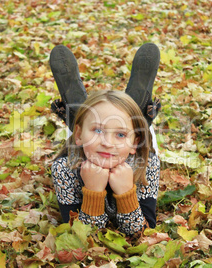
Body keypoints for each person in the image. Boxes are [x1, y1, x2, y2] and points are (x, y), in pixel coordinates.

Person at [49, 43, 161, 235]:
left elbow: (142, 232)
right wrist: (93, 191)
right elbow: (81, 236)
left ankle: (139, 116)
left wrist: (127, 192)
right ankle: (88, 120)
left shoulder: (146, 162)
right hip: (84, 147)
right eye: (99, 131)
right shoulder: (64, 168)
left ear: (135, 144)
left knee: (135, 124)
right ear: (77, 136)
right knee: (101, 123)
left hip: (127, 144)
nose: (107, 143)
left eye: (119, 135)